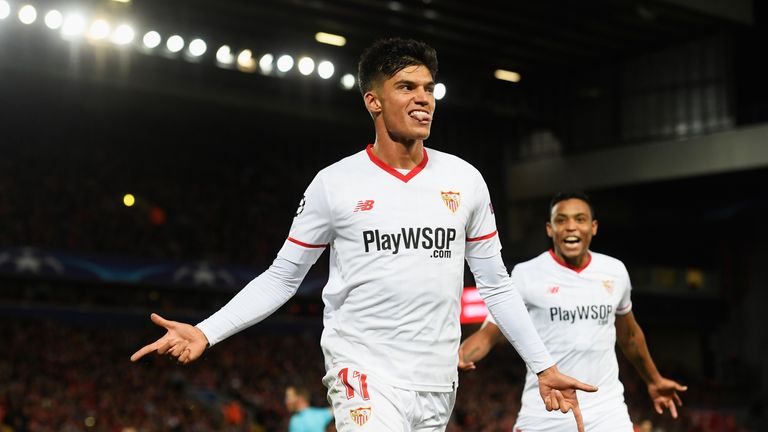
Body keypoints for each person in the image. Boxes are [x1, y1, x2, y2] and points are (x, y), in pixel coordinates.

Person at [131, 38, 597, 432]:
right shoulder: (335, 184)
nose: (424, 98)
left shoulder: (466, 180)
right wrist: (207, 331)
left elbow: (496, 284)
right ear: (373, 100)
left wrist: (544, 367)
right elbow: (282, 278)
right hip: (362, 371)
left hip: (437, 382)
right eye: (406, 87)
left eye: (429, 88)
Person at [458, 191, 687, 431]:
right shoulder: (526, 274)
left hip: (607, 413)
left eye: (580, 219)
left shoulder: (615, 271)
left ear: (593, 227)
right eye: (561, 220)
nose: (570, 227)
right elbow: (489, 334)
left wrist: (654, 380)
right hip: (546, 413)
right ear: (549, 229)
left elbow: (629, 336)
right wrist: (461, 356)